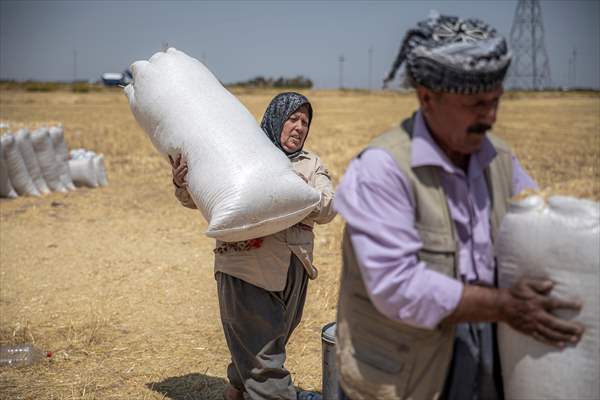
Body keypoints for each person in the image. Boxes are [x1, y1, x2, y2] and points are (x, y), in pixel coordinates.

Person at [333, 14, 584, 400]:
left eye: (496, 101)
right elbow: (398, 287)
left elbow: (537, 232)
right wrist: (504, 306)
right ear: (427, 97)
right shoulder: (382, 169)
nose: (490, 116)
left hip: (486, 343)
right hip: (405, 372)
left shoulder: (500, 160)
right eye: (475, 104)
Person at [170, 92, 335, 400]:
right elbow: (202, 197)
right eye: (292, 119)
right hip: (245, 265)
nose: (299, 127)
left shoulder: (311, 164)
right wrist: (184, 183)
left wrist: (292, 190)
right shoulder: (240, 154)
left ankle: (238, 389)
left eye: (305, 122)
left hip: (293, 268)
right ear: (275, 118)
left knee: (268, 341)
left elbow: (328, 207)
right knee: (263, 357)